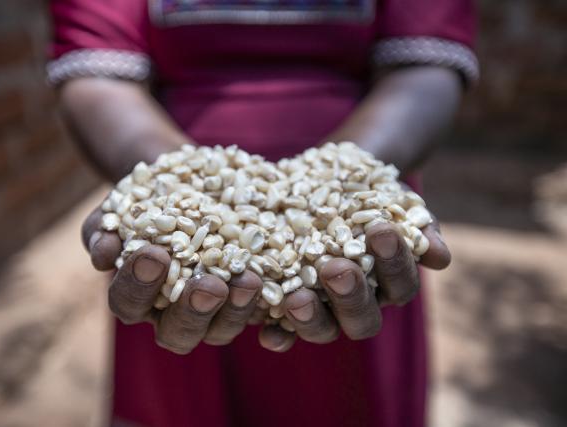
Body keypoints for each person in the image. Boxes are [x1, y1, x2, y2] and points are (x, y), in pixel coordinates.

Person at [48, 0, 477, 425]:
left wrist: (354, 169)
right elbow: (98, 70)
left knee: (347, 385)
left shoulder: (355, 209)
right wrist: (169, 175)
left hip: (366, 179)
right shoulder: (180, 218)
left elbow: (424, 62)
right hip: (174, 190)